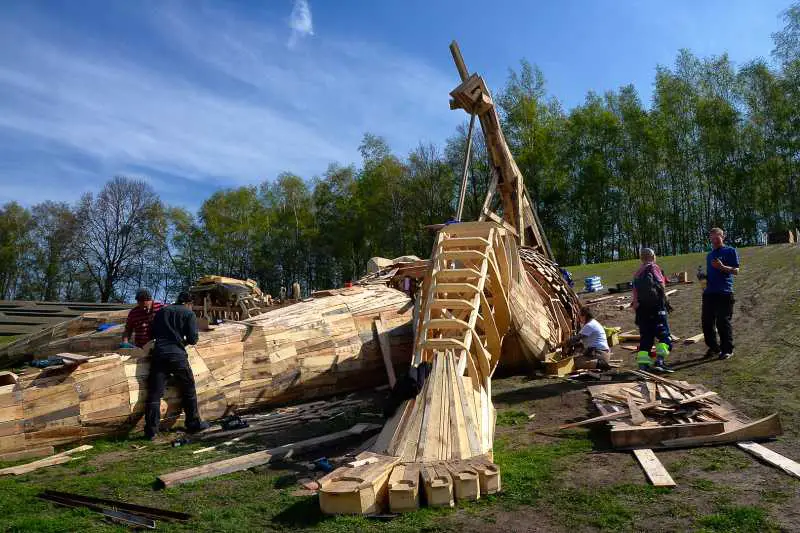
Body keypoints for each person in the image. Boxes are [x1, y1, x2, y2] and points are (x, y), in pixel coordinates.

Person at [144, 291, 209, 440]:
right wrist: (181, 340)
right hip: (177, 356)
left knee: (155, 393)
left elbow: (151, 334)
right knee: (188, 388)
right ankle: (193, 423)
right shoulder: (188, 313)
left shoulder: (161, 312)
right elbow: (193, 339)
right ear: (189, 303)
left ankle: (151, 431)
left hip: (159, 354)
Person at [632, 248, 672, 372]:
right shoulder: (654, 268)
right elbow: (661, 285)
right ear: (653, 256)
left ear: (641, 258)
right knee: (664, 336)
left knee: (646, 338)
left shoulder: (637, 273)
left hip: (641, 310)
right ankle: (660, 361)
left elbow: (635, 295)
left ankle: (643, 365)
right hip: (656, 309)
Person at [703, 227, 740, 360]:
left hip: (724, 292)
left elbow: (736, 271)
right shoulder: (710, 255)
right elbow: (712, 274)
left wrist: (722, 267)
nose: (714, 241)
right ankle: (714, 348)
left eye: (717, 238)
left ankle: (727, 349)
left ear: (722, 237)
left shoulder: (730, 251)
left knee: (722, 322)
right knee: (707, 322)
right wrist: (703, 277)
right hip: (709, 293)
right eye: (712, 238)